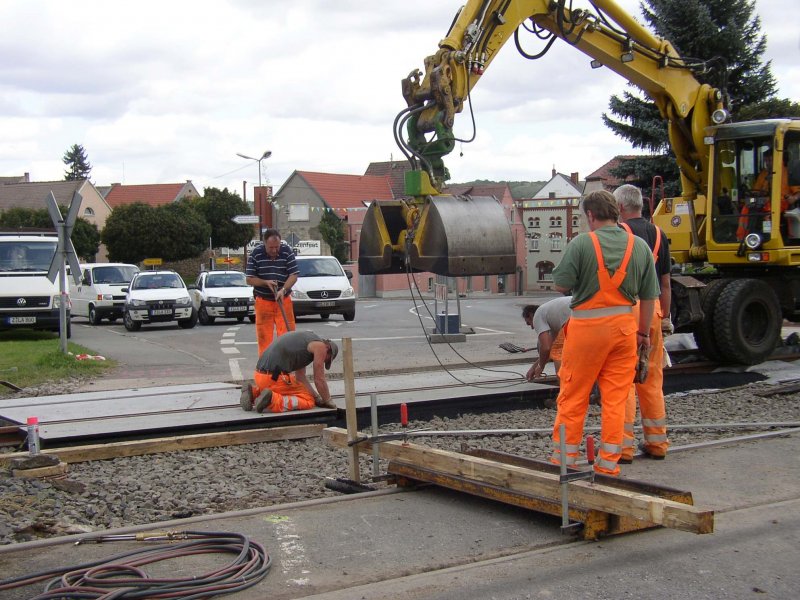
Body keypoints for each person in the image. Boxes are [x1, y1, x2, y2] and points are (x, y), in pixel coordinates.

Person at [550, 190, 660, 476]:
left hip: (587, 330)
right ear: (616, 211)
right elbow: (649, 296)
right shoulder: (639, 247)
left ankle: (566, 460)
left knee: (574, 395)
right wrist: (643, 334)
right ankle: (608, 464)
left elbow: (561, 284)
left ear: (590, 215)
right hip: (625, 330)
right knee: (616, 398)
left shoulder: (582, 244)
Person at [615, 184, 672, 462]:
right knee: (651, 379)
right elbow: (665, 283)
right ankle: (657, 443)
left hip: (629, 310)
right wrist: (667, 318)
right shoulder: (660, 234)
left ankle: (623, 447)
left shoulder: (621, 235)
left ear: (620, 208)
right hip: (656, 311)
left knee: (623, 380)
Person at [240, 330, 339, 413]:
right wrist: (327, 400)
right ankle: (272, 400)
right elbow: (319, 379)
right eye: (327, 359)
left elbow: (300, 378)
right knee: (308, 400)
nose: (323, 361)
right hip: (274, 378)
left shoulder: (307, 340)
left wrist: (317, 397)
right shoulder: (321, 347)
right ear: (328, 349)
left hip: (260, 375)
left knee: (296, 387)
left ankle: (253, 393)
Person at [246, 229, 299, 355]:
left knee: (287, 337)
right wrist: (266, 282)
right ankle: (266, 370)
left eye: (277, 247)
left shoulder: (286, 251)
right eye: (271, 248)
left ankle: (286, 369)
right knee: (264, 339)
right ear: (264, 243)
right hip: (263, 301)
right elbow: (249, 279)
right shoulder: (256, 254)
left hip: (283, 300)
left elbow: (294, 275)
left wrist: (283, 289)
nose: (275, 250)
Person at [737, 148, 800, 241]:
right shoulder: (764, 173)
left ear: (779, 159)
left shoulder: (787, 172)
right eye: (766, 160)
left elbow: (798, 192)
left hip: (781, 202)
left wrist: (794, 198)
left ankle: (769, 236)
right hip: (763, 200)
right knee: (747, 206)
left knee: (768, 211)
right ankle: (742, 237)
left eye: (770, 160)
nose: (768, 163)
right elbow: (756, 190)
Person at [522, 296, 572, 381]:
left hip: (575, 316)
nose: (532, 327)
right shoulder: (553, 317)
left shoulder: (538, 315)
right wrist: (534, 367)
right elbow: (550, 347)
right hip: (593, 313)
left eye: (529, 323)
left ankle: (564, 389)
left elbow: (546, 347)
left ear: (531, 315)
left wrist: (541, 366)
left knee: (557, 352)